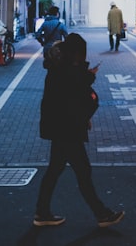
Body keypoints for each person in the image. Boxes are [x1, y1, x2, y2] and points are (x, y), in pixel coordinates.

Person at [34, 33, 124, 229]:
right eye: (81, 53)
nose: (83, 57)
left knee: (55, 170)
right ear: (75, 53)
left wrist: (86, 76)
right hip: (67, 129)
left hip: (62, 127)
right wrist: (89, 76)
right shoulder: (66, 71)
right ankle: (102, 214)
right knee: (82, 171)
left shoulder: (60, 68)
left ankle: (42, 212)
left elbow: (73, 90)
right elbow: (75, 92)